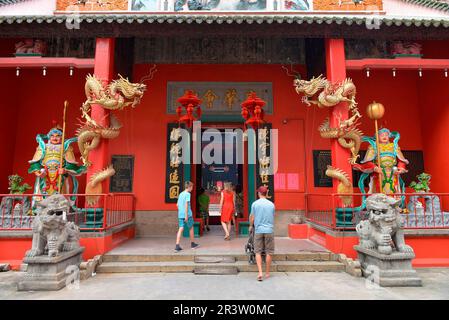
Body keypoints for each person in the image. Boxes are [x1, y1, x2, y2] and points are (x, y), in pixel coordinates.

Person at [249, 186, 275, 281]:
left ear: (259, 193)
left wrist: (251, 226)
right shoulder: (271, 204)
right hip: (269, 230)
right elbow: (272, 216)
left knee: (258, 252)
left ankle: (260, 272)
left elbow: (252, 217)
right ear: (266, 193)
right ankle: (267, 272)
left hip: (259, 230)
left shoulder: (255, 204)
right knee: (269, 252)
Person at [175, 181, 200, 252]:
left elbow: (177, 205)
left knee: (181, 228)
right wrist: (186, 215)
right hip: (187, 215)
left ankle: (177, 245)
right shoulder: (188, 194)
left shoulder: (181, 194)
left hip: (180, 214)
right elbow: (186, 205)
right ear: (189, 187)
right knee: (191, 228)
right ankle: (192, 244)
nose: (192, 189)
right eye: (192, 187)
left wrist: (181, 212)